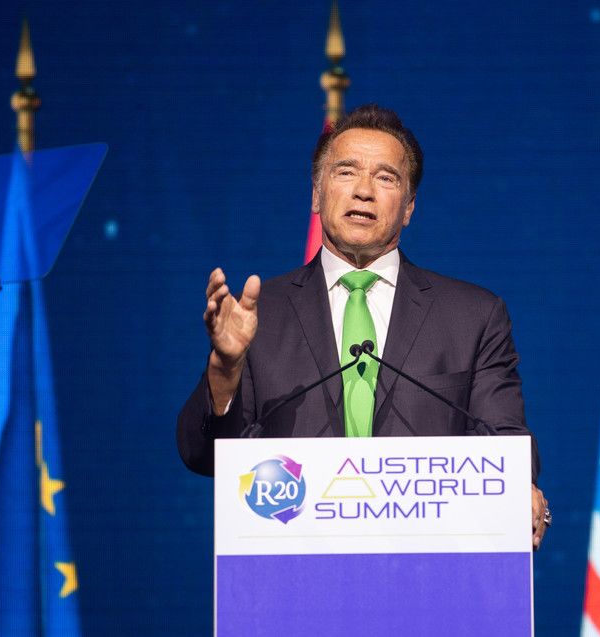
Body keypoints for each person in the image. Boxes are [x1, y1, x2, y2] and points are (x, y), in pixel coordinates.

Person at [177, 104, 551, 548]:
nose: (364, 191)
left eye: (386, 178)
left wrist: (521, 488)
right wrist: (225, 368)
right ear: (316, 195)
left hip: (430, 563)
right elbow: (202, 455)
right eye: (346, 172)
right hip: (292, 563)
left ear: (409, 207)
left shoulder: (473, 316)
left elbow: (506, 443)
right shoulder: (260, 314)